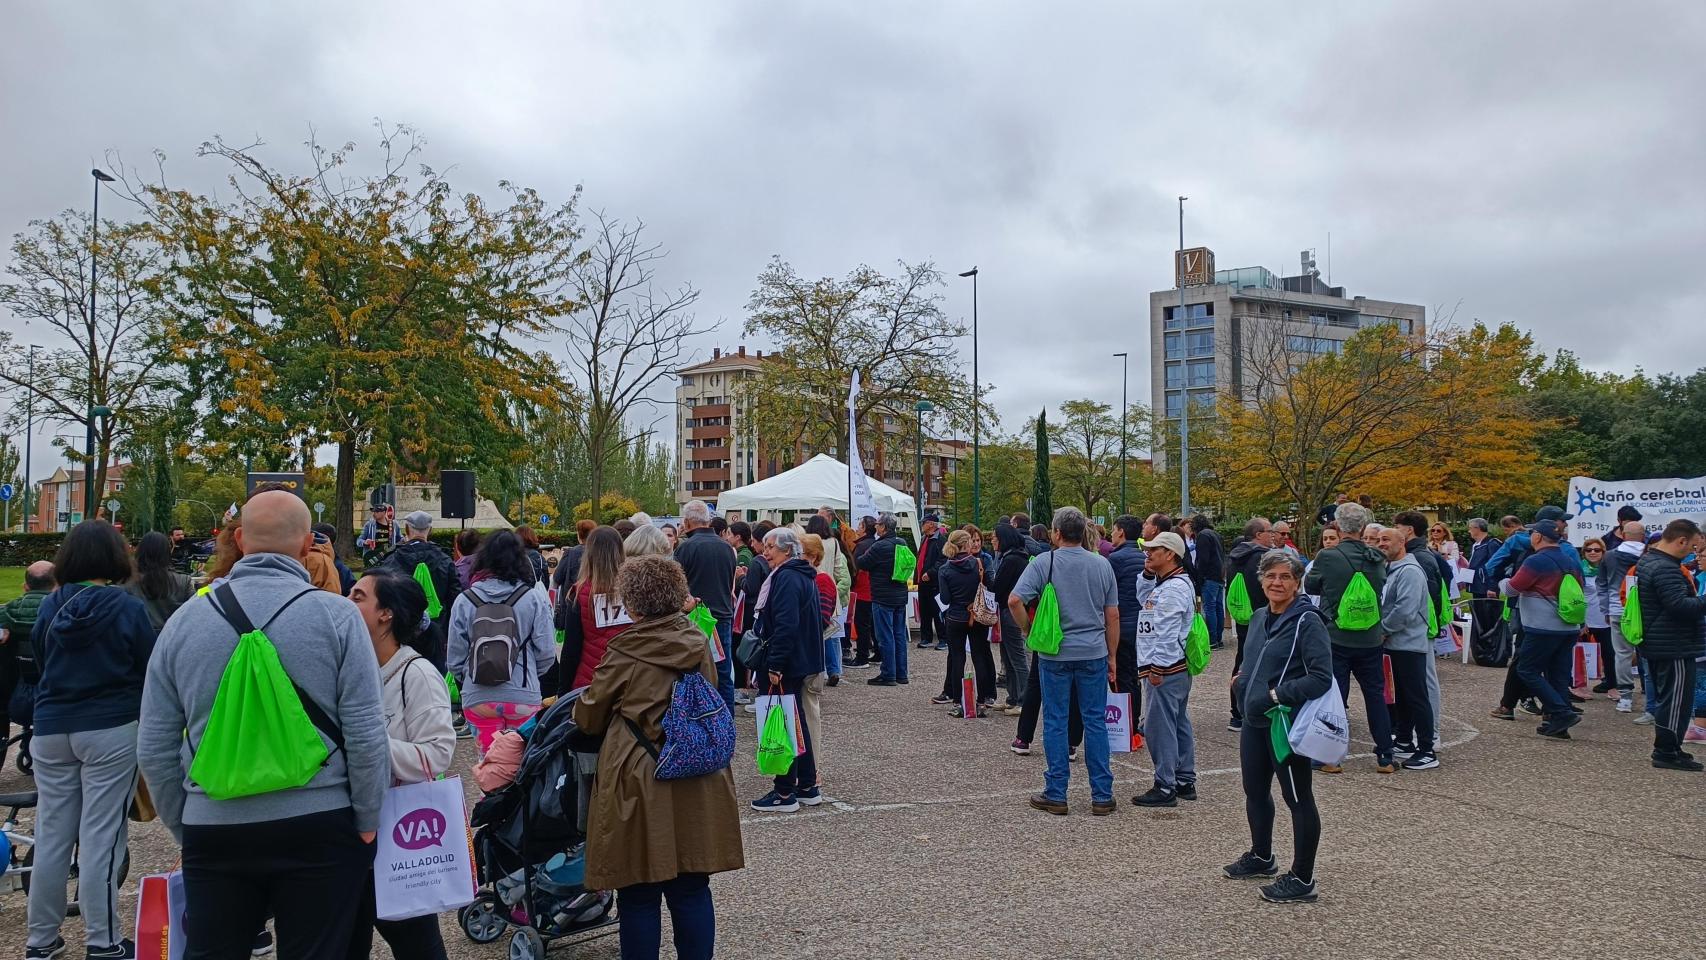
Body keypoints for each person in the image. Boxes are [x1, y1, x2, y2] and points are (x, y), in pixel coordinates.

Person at [138, 492, 389, 960]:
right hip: (319, 821)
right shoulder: (338, 617)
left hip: (215, 826)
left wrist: (185, 822)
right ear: (308, 545)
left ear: (239, 539)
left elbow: (153, 744)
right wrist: (367, 817)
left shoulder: (184, 622)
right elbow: (366, 732)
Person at [572, 556, 744, 960]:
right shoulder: (697, 639)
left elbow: (590, 715)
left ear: (632, 603)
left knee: (638, 891)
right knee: (691, 887)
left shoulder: (625, 650)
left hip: (638, 772)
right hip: (695, 768)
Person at [25, 521, 157, 960]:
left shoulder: (50, 606)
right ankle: (102, 940)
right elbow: (147, 666)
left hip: (50, 726)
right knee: (102, 834)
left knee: (52, 834)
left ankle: (40, 939)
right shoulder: (126, 607)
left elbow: (41, 660)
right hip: (109, 727)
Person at [345, 570, 455, 960]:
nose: (347, 601)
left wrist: (367, 743)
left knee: (416, 946)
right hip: (350, 834)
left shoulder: (417, 674)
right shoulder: (352, 669)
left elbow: (437, 753)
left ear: (385, 615)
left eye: (358, 596)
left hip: (399, 835)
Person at [1226, 550, 1332, 904]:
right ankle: (1261, 856)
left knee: (1298, 798)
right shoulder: (1259, 617)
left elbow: (1320, 677)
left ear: (1297, 582)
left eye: (1285, 577)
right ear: (1261, 580)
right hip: (1254, 720)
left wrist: (1275, 694)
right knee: (1254, 790)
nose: (1277, 583)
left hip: (1283, 722)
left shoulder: (1307, 621)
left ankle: (1303, 878)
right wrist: (1241, 681)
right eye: (1271, 576)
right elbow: (1251, 657)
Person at [1008, 507, 1119, 817]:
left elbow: (1015, 600)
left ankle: (1056, 792)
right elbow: (1112, 615)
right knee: (1094, 720)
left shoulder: (1046, 561)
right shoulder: (1102, 565)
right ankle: (1102, 794)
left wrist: (1029, 632)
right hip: (1093, 651)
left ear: (1056, 533)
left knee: (1056, 720)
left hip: (1055, 653)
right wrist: (1111, 656)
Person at [447, 529, 556, 752]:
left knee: (489, 767)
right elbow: (546, 654)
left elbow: (454, 659)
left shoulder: (464, 601)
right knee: (521, 764)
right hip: (523, 694)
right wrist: (530, 675)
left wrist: (469, 677)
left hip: (478, 696)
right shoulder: (532, 598)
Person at [1304, 502, 1394, 774]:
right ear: (1363, 527)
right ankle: (1385, 757)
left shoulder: (1328, 556)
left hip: (1336, 634)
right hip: (1370, 636)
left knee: (1335, 696)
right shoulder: (1376, 557)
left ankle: (1331, 757)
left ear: (1338, 526)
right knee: (1375, 695)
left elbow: (1310, 585)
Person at [750, 527, 829, 812]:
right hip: (801, 659)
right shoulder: (801, 574)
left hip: (788, 661)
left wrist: (775, 664)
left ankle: (784, 792)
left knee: (783, 724)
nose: (765, 552)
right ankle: (807, 785)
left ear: (786, 550)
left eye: (770, 547)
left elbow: (786, 624)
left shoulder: (785, 577)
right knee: (796, 723)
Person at [1501, 519, 1585, 740]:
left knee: (1527, 670)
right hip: (1568, 626)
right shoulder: (1570, 559)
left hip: (1542, 626)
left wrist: (1502, 581)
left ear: (1537, 537)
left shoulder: (1536, 561)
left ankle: (1561, 712)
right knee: (1558, 674)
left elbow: (1511, 589)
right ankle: (1558, 724)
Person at [1130, 531, 1198, 807]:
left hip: (1165, 668)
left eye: (1153, 550)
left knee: (1160, 726)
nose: (1147, 553)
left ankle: (1165, 784)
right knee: (1177, 721)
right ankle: (1183, 779)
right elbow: (1144, 600)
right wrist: (1146, 575)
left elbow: (1167, 633)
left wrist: (1158, 667)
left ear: (1170, 554)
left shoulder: (1173, 589)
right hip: (1171, 666)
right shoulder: (1168, 583)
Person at [1633, 518, 1706, 770]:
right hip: (1672, 643)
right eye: (1693, 546)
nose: (1694, 552)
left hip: (1661, 641)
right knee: (1676, 701)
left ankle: (1671, 746)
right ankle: (1666, 751)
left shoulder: (1649, 561)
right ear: (1681, 541)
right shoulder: (1665, 568)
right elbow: (1680, 606)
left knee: (1670, 699)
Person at [1378, 527, 1440, 769]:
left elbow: (1405, 609)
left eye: (1387, 540)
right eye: (1379, 539)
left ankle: (1427, 750)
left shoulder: (1411, 572)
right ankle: (1404, 740)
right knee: (1401, 694)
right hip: (1395, 643)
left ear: (1402, 542)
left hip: (1409, 643)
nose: (1381, 544)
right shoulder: (1390, 569)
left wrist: (1383, 630)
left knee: (1416, 696)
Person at [378, 510, 459, 671]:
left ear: (407, 529)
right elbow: (455, 598)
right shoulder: (444, 560)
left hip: (401, 632)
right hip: (437, 632)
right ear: (430, 530)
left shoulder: (393, 559)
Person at [675, 500, 737, 708]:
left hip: (694, 618)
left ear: (687, 522)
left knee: (693, 672)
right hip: (722, 616)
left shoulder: (686, 548)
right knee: (723, 672)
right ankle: (726, 720)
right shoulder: (727, 548)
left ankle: (700, 719)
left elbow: (678, 586)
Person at [931, 530, 997, 714]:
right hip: (976, 615)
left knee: (957, 657)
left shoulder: (945, 569)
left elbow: (944, 599)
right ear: (966, 544)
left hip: (955, 616)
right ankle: (982, 701)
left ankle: (958, 702)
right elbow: (990, 585)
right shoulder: (978, 563)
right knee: (979, 656)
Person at [558, 526, 630, 695]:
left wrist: (563, 692)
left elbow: (571, 649)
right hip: (630, 681)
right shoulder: (634, 590)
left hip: (591, 683)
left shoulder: (581, 593)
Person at [0, 561, 55, 769]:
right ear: (56, 584)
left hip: (12, 696)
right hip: (54, 696)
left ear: (25, 587)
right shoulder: (65, 613)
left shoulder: (6, 614)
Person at [1225, 518, 1274, 731]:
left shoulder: (1236, 556)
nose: (1272, 535)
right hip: (1262, 617)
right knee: (1262, 665)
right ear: (1258, 534)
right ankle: (1253, 710)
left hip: (1243, 616)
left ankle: (1236, 712)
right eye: (1269, 531)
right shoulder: (1262, 558)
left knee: (1242, 661)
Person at [1599, 518, 1646, 714]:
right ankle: (1651, 699)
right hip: (1646, 611)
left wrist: (1606, 609)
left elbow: (1602, 584)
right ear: (1643, 536)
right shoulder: (1649, 555)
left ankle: (1625, 697)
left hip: (1618, 609)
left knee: (1622, 655)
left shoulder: (1609, 556)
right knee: (1650, 656)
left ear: (1623, 535)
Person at [860, 514, 911, 687]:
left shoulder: (879, 546)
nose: (875, 527)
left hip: (882, 596)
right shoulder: (902, 543)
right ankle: (901, 673)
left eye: (878, 524)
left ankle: (888, 674)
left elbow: (863, 563)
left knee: (885, 636)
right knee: (899, 635)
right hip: (900, 595)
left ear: (883, 527)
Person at [1106, 516, 1147, 724]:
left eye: (1113, 530)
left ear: (1121, 532)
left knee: (1121, 675)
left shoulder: (1115, 560)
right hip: (1140, 625)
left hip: (1121, 625)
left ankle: (1125, 724)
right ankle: (1136, 720)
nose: (1111, 534)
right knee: (1134, 675)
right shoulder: (1144, 557)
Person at [992, 522, 1031, 713]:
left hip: (1011, 612)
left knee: (1017, 658)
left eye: (995, 537)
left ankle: (1023, 700)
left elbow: (998, 587)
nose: (992, 540)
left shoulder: (1011, 560)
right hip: (1007, 610)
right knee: (1008, 657)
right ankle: (1013, 697)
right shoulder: (1014, 557)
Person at [126, 530, 195, 633]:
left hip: (136, 640)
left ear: (140, 551)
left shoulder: (126, 580)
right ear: (167, 552)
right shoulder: (184, 581)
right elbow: (193, 612)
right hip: (172, 640)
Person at [1580, 537, 1613, 697]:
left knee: (1609, 653)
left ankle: (1611, 684)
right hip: (1585, 618)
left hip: (1605, 619)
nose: (1592, 552)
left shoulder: (1610, 568)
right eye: (1589, 550)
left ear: (1603, 552)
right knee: (1578, 654)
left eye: (1597, 550)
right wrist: (1581, 621)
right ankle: (1578, 685)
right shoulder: (1578, 570)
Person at [1191, 514, 1226, 650]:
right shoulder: (1216, 535)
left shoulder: (1202, 536)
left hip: (1209, 576)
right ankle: (1218, 638)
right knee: (1218, 607)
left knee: (1209, 608)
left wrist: (1199, 577)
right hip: (1219, 575)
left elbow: (1203, 559)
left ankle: (1212, 639)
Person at [848, 516, 879, 668]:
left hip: (862, 590)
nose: (857, 528)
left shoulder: (861, 546)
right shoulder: (875, 543)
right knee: (872, 624)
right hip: (873, 589)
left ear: (865, 528)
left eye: (860, 525)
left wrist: (851, 585)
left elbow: (855, 569)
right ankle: (878, 653)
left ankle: (862, 657)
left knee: (862, 624)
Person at [915, 514, 948, 650]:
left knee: (937, 610)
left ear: (931, 524)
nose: (922, 525)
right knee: (924, 611)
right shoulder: (924, 539)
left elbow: (943, 560)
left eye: (924, 523)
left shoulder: (941, 540)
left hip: (935, 583)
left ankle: (943, 639)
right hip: (923, 583)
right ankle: (926, 637)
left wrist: (931, 572)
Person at [553, 519, 599, 597]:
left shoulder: (570, 553)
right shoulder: (600, 552)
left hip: (572, 599)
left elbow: (557, 578)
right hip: (593, 599)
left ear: (579, 535)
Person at [1466, 518, 1502, 596]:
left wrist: (1493, 587)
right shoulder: (1476, 545)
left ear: (1477, 529)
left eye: (1470, 528)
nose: (1469, 531)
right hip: (1477, 586)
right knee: (1476, 607)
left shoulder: (1491, 544)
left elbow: (1496, 566)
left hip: (1486, 588)